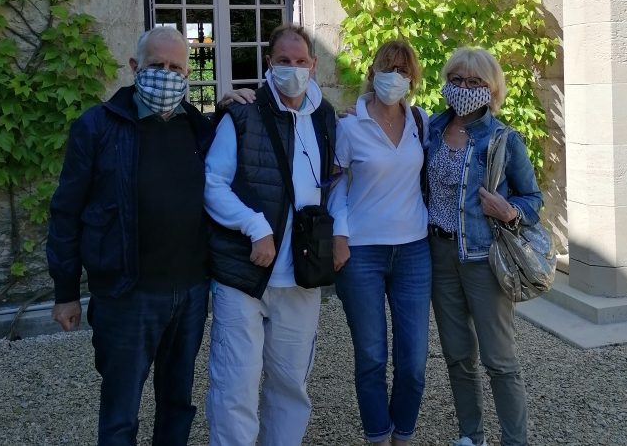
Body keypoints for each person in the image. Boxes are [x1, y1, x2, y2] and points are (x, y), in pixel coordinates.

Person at [46, 26, 214, 446]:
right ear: (135, 67)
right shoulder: (97, 127)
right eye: (158, 65)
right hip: (127, 294)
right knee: (121, 411)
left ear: (188, 75)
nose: (167, 74)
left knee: (178, 404)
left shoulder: (198, 128)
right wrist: (65, 290)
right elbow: (65, 212)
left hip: (191, 292)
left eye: (177, 67)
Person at [204, 23, 337, 446]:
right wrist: (256, 227)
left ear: (314, 66)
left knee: (290, 385)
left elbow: (338, 181)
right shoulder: (240, 114)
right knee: (235, 387)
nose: (293, 69)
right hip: (243, 274)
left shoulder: (326, 116)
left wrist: (343, 234)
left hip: (300, 276)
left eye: (301, 62)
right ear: (269, 64)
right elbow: (212, 184)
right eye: (284, 61)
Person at [426, 47, 543, 446]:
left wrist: (509, 210)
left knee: (500, 360)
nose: (464, 88)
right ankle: (470, 436)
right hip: (438, 257)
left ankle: (515, 441)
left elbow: (533, 198)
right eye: (457, 79)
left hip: (483, 260)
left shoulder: (503, 139)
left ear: (491, 90)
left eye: (475, 82)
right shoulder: (431, 130)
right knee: (458, 355)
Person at [329, 40, 431, 445]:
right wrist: (340, 235)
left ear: (413, 79)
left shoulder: (421, 122)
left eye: (404, 69)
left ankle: (402, 435)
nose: (395, 75)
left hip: (414, 251)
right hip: (362, 252)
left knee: (414, 363)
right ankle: (377, 435)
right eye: (388, 67)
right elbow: (334, 186)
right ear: (372, 71)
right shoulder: (349, 125)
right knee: (371, 356)